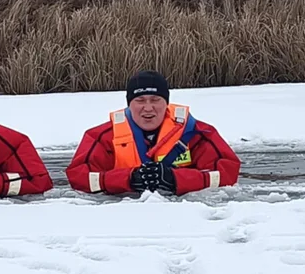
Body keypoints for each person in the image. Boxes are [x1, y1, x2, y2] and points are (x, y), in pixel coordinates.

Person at [65, 71, 241, 196]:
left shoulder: (196, 132)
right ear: (129, 104)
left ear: (167, 103)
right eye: (140, 100)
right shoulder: (101, 136)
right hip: (120, 218)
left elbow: (228, 173)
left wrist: (175, 179)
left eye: (155, 100)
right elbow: (78, 177)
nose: (148, 108)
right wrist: (128, 179)